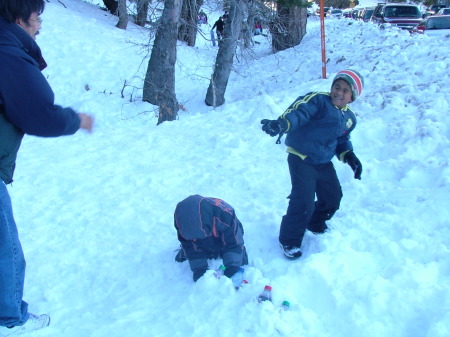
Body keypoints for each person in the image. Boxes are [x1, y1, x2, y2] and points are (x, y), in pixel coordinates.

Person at [0, 0, 94, 335]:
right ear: (18, 19)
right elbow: (38, 111)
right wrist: (77, 120)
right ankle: (9, 319)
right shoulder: (7, 52)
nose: (40, 27)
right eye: (38, 19)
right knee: (5, 250)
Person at [261, 70, 364, 260]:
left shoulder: (350, 118)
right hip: (301, 156)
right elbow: (299, 113)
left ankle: (315, 222)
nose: (339, 93)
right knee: (303, 200)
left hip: (323, 161)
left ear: (352, 97)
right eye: (337, 87)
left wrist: (349, 156)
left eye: (345, 91)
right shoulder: (318, 101)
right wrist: (282, 124)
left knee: (333, 197)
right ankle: (289, 240)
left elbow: (342, 139)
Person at [174, 195, 248, 282]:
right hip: (206, 230)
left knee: (233, 254)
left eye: (196, 238)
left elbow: (234, 243)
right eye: (192, 238)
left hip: (226, 234)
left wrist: (232, 266)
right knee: (193, 249)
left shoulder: (225, 215)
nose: (194, 240)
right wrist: (199, 269)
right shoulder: (180, 221)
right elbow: (188, 244)